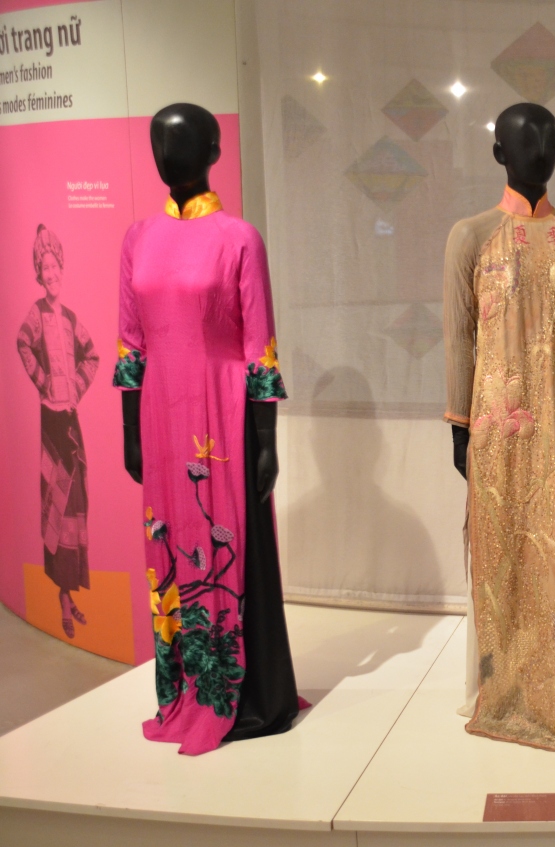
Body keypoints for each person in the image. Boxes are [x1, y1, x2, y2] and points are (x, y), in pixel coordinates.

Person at [116, 103, 302, 756]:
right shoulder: (137, 237)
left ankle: (246, 693)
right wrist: (129, 429)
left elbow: (260, 346)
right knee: (170, 546)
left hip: (221, 417)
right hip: (160, 416)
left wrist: (267, 439)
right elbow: (130, 341)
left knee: (227, 545)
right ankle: (184, 684)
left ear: (215, 150)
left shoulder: (238, 238)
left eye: (184, 142)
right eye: (159, 144)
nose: (169, 155)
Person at [443, 102, 555, 751]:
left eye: (550, 138)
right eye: (525, 139)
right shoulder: (471, 235)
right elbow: (459, 338)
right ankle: (506, 689)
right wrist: (459, 427)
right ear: (498, 153)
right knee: (505, 558)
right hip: (500, 427)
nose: (540, 149)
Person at [17, 224, 99, 639]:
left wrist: (75, 388)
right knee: (57, 506)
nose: (50, 273)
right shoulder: (36, 313)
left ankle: (69, 591)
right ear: (39, 273)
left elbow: (93, 356)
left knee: (76, 501)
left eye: (54, 266)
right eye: (44, 267)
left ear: (61, 269)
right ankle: (62, 598)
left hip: (70, 420)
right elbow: (22, 343)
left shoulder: (70, 319)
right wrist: (44, 381)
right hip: (52, 423)